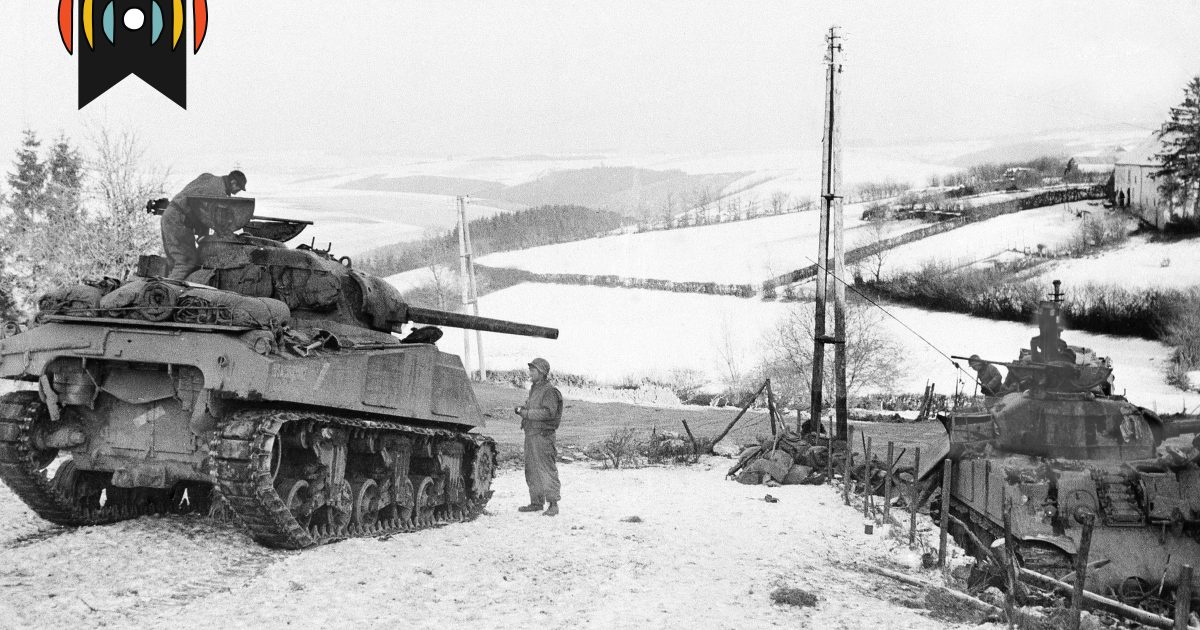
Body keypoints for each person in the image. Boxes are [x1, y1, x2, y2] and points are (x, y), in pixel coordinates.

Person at [162, 170, 247, 280]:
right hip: (180, 220)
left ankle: (165, 287)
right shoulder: (218, 193)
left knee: (174, 262)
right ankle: (169, 292)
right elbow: (211, 219)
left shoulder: (208, 177)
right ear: (233, 182)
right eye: (239, 188)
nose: (238, 191)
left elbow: (199, 211)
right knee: (186, 262)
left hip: (170, 214)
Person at [514, 357, 563, 516]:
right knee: (532, 470)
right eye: (530, 370)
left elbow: (549, 413)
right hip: (531, 435)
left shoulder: (549, 391)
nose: (530, 373)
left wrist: (526, 413)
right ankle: (536, 502)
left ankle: (553, 504)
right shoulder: (535, 389)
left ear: (542, 373)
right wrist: (523, 409)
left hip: (543, 436)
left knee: (546, 469)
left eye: (533, 370)